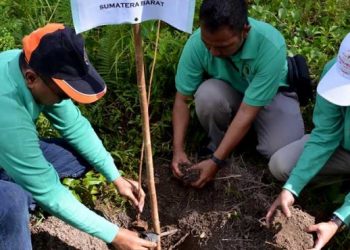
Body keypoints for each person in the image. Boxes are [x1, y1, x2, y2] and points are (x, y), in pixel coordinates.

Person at [0, 23, 157, 250]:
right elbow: (51, 193)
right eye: (63, 94)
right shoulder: (7, 109)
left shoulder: (29, 65)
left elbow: (75, 127)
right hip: (7, 138)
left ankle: (20, 182)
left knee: (78, 156)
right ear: (31, 78)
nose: (66, 100)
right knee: (12, 202)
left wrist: (116, 178)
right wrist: (114, 235)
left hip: (7, 147)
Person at [171, 0, 306, 188]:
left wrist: (216, 163)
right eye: (207, 43)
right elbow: (182, 100)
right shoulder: (196, 44)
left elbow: (247, 112)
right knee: (207, 95)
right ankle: (218, 142)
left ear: (245, 31)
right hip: (232, 91)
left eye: (223, 46)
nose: (214, 52)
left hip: (273, 95)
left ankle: (244, 138)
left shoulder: (270, 45)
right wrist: (178, 150)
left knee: (281, 151)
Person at [266, 33, 350, 250]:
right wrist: (292, 188)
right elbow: (325, 135)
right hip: (344, 149)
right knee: (281, 166)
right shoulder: (338, 70)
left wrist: (337, 221)